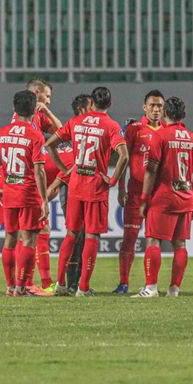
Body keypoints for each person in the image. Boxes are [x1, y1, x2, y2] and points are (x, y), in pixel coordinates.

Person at [45, 87, 128, 297]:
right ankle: (82, 287)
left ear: (92, 103)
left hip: (75, 186)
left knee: (71, 234)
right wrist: (113, 180)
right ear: (109, 104)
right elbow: (124, 156)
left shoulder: (76, 122)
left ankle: (61, 284)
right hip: (95, 187)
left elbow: (49, 144)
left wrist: (65, 171)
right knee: (92, 236)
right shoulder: (111, 126)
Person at [132, 96, 193, 298]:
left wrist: (144, 198)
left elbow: (151, 170)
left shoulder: (161, 136)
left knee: (153, 241)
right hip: (186, 195)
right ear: (184, 115)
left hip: (164, 197)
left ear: (165, 113)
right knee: (180, 244)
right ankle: (174, 289)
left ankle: (151, 287)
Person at [0, 90, 49, 296]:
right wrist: (44, 200)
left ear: (14, 109)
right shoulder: (35, 135)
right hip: (28, 193)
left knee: (10, 239)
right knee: (29, 240)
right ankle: (22, 286)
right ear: (33, 110)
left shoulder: (2, 132)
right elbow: (39, 171)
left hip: (9, 192)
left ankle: (10, 287)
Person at [113, 90, 166, 295]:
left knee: (153, 240)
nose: (155, 109)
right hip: (135, 193)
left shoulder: (167, 130)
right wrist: (120, 188)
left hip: (158, 194)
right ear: (144, 107)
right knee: (130, 239)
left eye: (159, 106)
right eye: (152, 105)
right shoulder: (134, 129)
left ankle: (149, 284)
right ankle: (124, 282)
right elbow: (123, 159)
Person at [45, 94, 91, 294]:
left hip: (76, 185)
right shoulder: (75, 131)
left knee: (80, 235)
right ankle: (71, 283)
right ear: (82, 110)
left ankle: (73, 283)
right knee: (77, 234)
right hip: (70, 187)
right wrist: (61, 177)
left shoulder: (77, 133)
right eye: (92, 106)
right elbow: (72, 163)